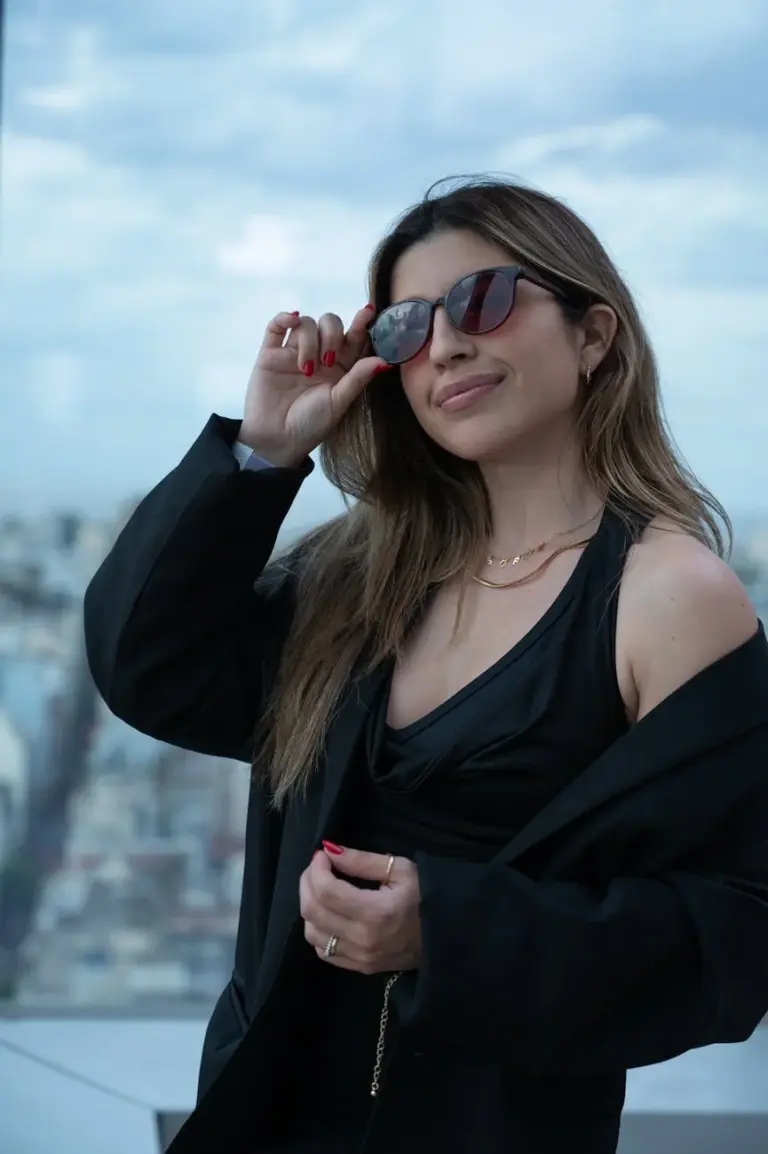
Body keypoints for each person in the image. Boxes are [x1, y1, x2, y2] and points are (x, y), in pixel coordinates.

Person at [83, 176, 768, 1154]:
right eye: (405, 326)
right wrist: (266, 450)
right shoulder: (355, 576)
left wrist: (446, 932)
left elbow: (738, 928)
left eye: (484, 299)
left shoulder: (668, 596)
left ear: (594, 333)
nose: (446, 343)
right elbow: (149, 667)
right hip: (260, 1116)